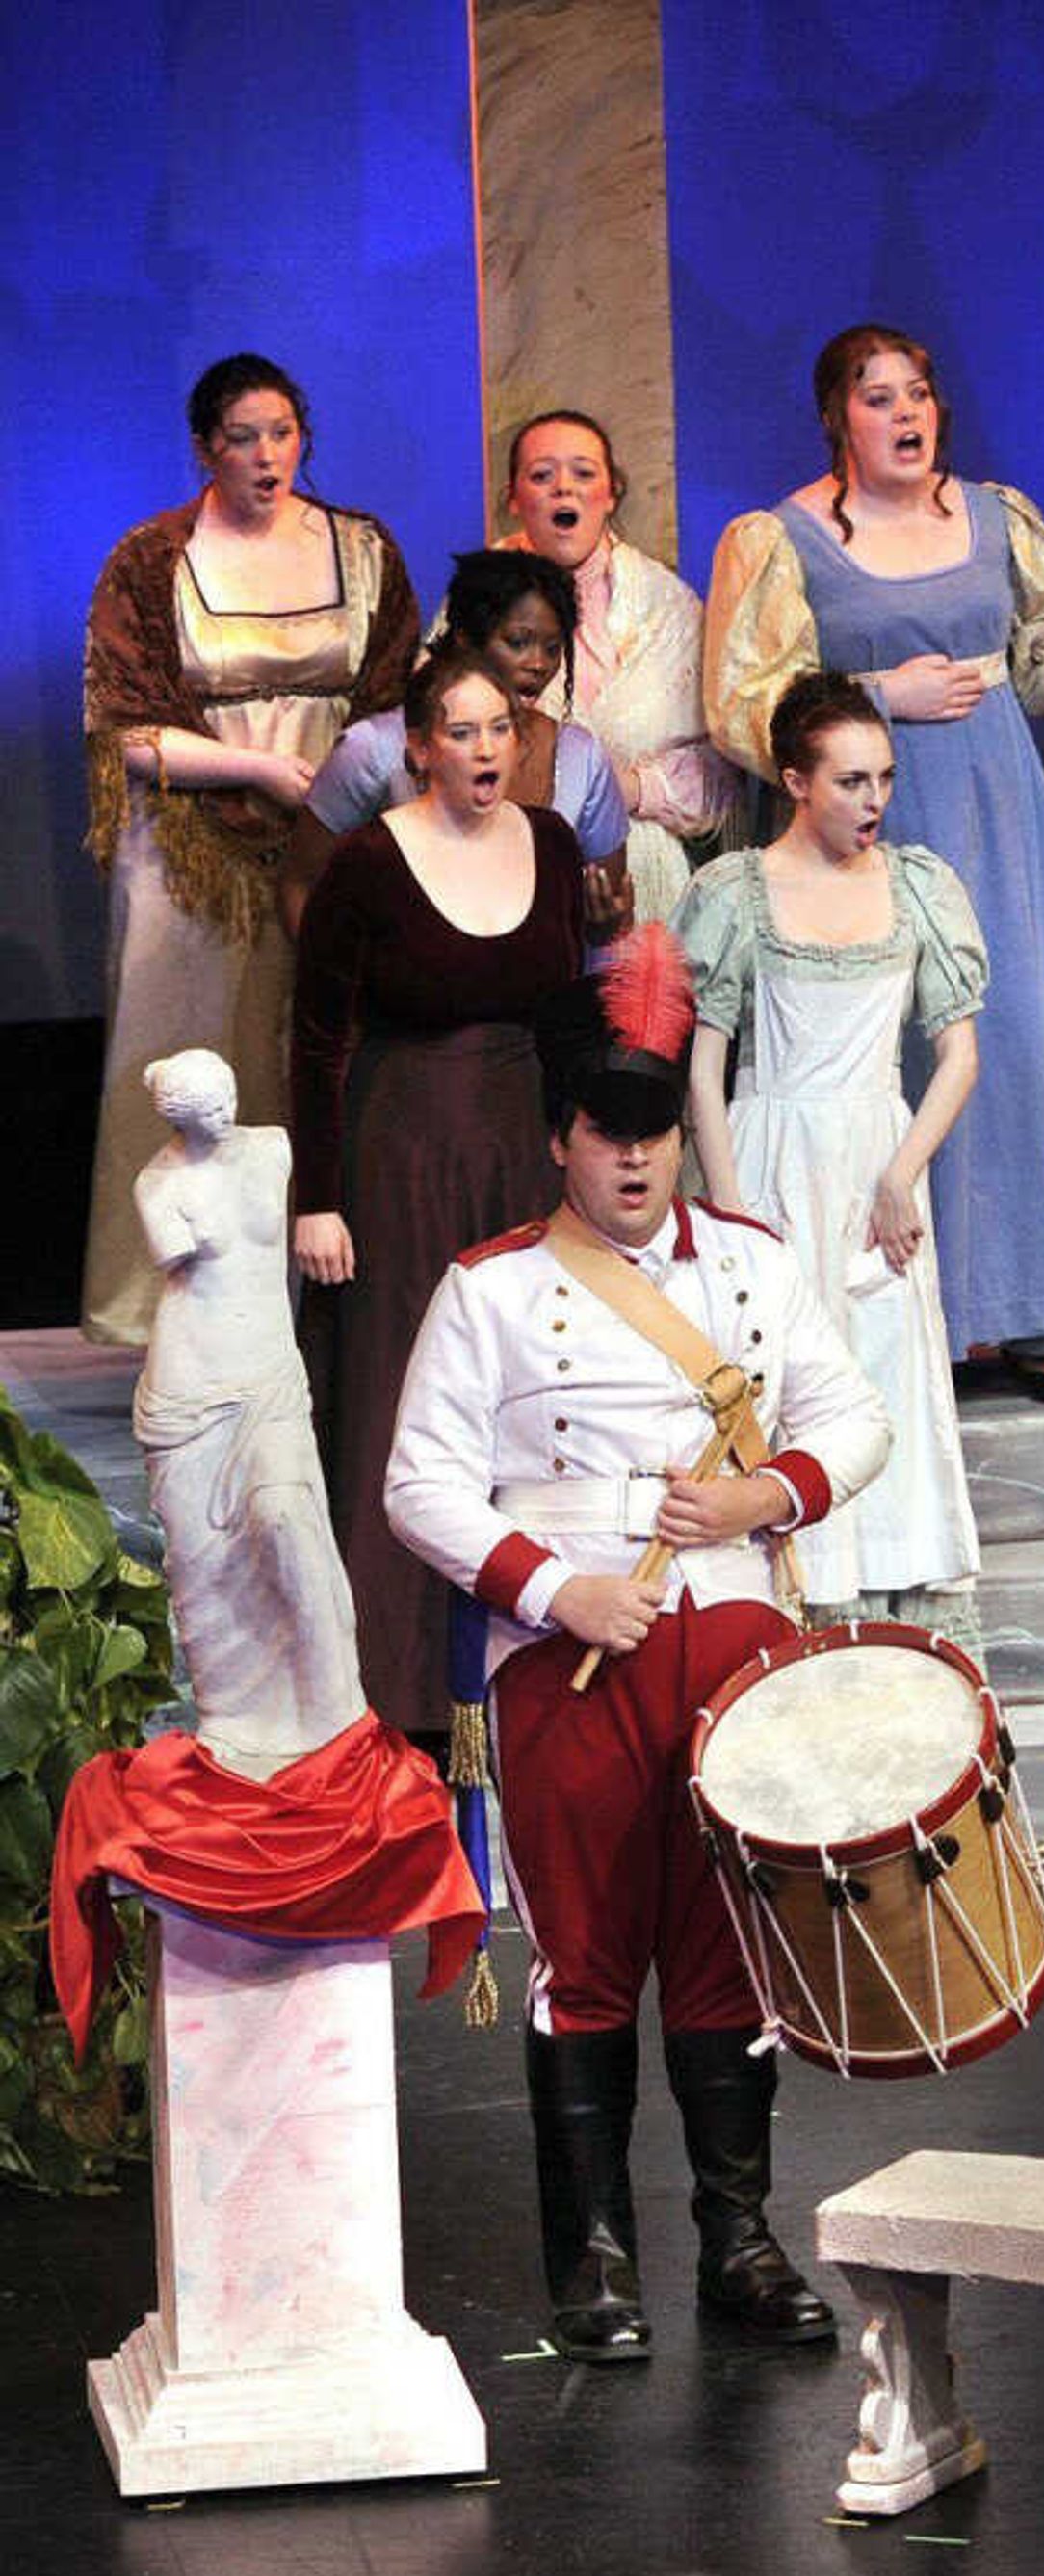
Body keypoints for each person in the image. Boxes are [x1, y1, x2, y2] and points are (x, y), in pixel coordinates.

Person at [384, 928, 890, 2363]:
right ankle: (595, 2264)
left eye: (655, 1136)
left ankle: (737, 2243)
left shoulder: (755, 1265)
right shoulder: (487, 1287)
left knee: (730, 1951)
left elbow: (854, 1421)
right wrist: (554, 1591)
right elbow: (420, 1483)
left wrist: (763, 1489)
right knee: (587, 1959)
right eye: (606, 1137)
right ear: (561, 1142)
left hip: (729, 1627)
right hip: (571, 1649)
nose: (634, 1163)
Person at [705, 324, 1044, 1404]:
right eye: (877, 398)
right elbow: (738, 702)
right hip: (865, 821)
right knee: (892, 1052)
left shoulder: (997, 518)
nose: (905, 415)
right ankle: (919, 1318)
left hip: (999, 817)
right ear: (837, 417)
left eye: (917, 393)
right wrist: (876, 699)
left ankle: (1036, 1313)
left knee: (1014, 1039)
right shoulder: (780, 539)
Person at [81, 352, 418, 1344]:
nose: (267, 457)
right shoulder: (153, 559)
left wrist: (337, 796)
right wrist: (260, 773)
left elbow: (399, 696)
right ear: (203, 449)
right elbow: (123, 726)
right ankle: (169, 1315)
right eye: (242, 438)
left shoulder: (361, 550)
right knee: (187, 1068)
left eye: (282, 434)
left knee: (310, 1058)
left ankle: (323, 1305)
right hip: (192, 856)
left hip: (334, 845)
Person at [291, 649, 590, 1740]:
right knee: (404, 1394)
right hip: (404, 1150)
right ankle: (401, 1688)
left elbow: (573, 1021)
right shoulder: (371, 862)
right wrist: (316, 1199)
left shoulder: (552, 846)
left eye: (499, 729)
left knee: (528, 1379)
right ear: (416, 747)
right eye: (458, 732)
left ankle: (532, 1659)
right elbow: (318, 1035)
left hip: (524, 1146)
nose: (483, 750)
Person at [675, 672, 989, 1643]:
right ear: (794, 780)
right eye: (851, 780)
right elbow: (703, 1066)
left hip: (876, 1159)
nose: (873, 800)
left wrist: (901, 1173)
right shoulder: (734, 892)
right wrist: (730, 1216)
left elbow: (959, 1055)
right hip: (771, 1150)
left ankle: (896, 1600)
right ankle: (799, 1597)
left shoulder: (918, 886)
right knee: (787, 1376)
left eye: (883, 778)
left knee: (885, 1367)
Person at [130, 1048, 369, 1774]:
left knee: (288, 1516)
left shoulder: (271, 1147)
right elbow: (178, 1261)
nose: (225, 1116)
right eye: (206, 1112)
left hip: (267, 1372)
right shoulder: (158, 1183)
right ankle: (234, 1720)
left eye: (228, 1098)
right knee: (207, 1565)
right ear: (177, 1118)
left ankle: (337, 1720)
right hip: (192, 1386)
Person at [302, 547, 630, 931]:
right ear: (464, 639)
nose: (539, 663)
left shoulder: (581, 757)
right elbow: (301, 885)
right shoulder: (373, 748)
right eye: (518, 641)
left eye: (553, 648)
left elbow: (611, 915)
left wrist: (605, 925)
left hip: (543, 987)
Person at [492, 408, 734, 926]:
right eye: (542, 475)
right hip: (506, 870)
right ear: (515, 498)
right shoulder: (475, 604)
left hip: (643, 878)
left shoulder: (668, 607)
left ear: (612, 492)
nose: (564, 490)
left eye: (583, 473)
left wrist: (629, 788)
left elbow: (721, 769)